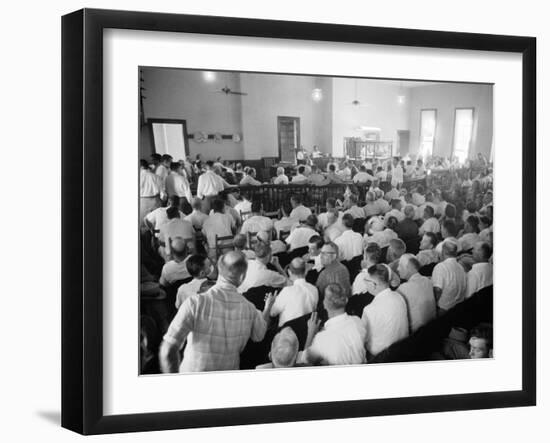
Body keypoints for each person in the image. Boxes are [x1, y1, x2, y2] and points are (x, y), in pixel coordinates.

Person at [159, 251, 275, 372]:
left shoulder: (194, 303)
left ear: (218, 267)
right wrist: (267, 308)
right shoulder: (250, 309)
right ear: (242, 277)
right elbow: (259, 335)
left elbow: (167, 351)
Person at [300, 284, 367, 365]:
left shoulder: (322, 339)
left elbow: (304, 360)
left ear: (325, 303)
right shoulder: (357, 321)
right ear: (345, 300)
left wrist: (311, 332)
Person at [361, 264, 408, 356]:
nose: (365, 283)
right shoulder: (399, 296)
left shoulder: (369, 310)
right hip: (401, 349)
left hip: (380, 356)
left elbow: (363, 338)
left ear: (373, 285)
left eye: (366, 280)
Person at [270, 258, 319, 327]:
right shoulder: (314, 289)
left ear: (289, 272)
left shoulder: (287, 291)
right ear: (305, 271)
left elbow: (272, 313)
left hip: (287, 333)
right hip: (306, 330)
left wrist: (271, 302)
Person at [396, 254, 436, 333]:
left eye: (400, 265)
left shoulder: (404, 288)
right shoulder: (427, 280)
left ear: (409, 268)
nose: (397, 269)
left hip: (416, 332)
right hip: (431, 326)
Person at [316, 243, 351, 319]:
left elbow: (318, 295)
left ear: (334, 256)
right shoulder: (344, 268)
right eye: (321, 253)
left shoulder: (324, 275)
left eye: (325, 254)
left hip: (331, 313)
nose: (321, 256)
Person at [432, 240, 467, 314]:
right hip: (458, 309)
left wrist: (433, 304)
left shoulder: (440, 267)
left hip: (443, 310)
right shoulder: (461, 267)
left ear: (443, 252)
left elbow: (437, 290)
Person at [139, 159, 162, 231]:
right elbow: (163, 193)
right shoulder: (156, 176)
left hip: (142, 201)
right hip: (156, 201)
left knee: (143, 224)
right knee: (156, 223)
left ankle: (146, 241)